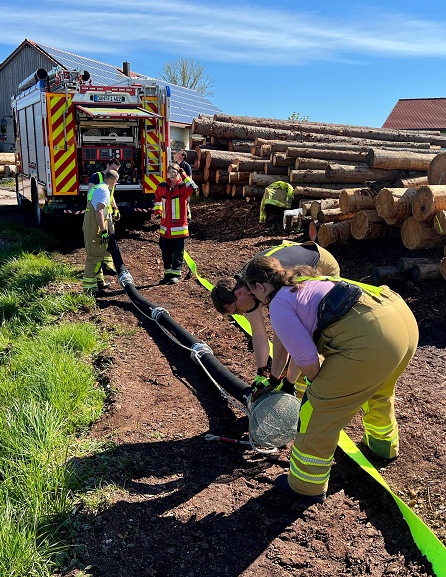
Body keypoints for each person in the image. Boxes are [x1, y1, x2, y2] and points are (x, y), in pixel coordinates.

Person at [242, 255, 418, 503]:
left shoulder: (279, 303)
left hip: (369, 340)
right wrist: (280, 379)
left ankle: (306, 485)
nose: (255, 299)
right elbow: (289, 346)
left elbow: (306, 358)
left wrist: (317, 388)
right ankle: (383, 446)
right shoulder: (302, 280)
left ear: (260, 287)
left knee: (316, 410)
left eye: (253, 292)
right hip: (399, 320)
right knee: (377, 389)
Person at [211, 242, 339, 399]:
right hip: (293, 263)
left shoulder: (267, 288)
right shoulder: (249, 289)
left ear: (239, 294)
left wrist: (276, 379)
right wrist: (261, 372)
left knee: (308, 332)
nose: (241, 313)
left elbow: (286, 340)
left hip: (321, 263)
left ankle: (313, 389)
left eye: (236, 310)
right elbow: (258, 334)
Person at [153, 163, 198, 284]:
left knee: (178, 253)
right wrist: (158, 211)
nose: (172, 174)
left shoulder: (183, 187)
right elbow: (157, 198)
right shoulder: (162, 186)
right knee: (166, 252)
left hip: (179, 228)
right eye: (170, 172)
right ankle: (167, 275)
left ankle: (176, 274)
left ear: (178, 173)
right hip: (165, 229)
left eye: (174, 172)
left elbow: (193, 187)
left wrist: (184, 174)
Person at [82, 170, 119, 294]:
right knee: (94, 258)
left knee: (96, 257)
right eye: (116, 182)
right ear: (113, 180)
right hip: (95, 228)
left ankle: (97, 284)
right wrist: (103, 231)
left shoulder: (96, 188)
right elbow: (99, 212)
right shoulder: (104, 191)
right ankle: (89, 289)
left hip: (90, 225)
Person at [88, 159, 121, 275]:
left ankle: (108, 265)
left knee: (109, 239)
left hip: (107, 214)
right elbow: (91, 194)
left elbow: (110, 196)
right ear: (107, 166)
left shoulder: (112, 179)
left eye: (117, 170)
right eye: (113, 168)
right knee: (99, 240)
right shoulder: (96, 177)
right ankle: (98, 268)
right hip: (99, 214)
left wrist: (115, 208)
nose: (115, 171)